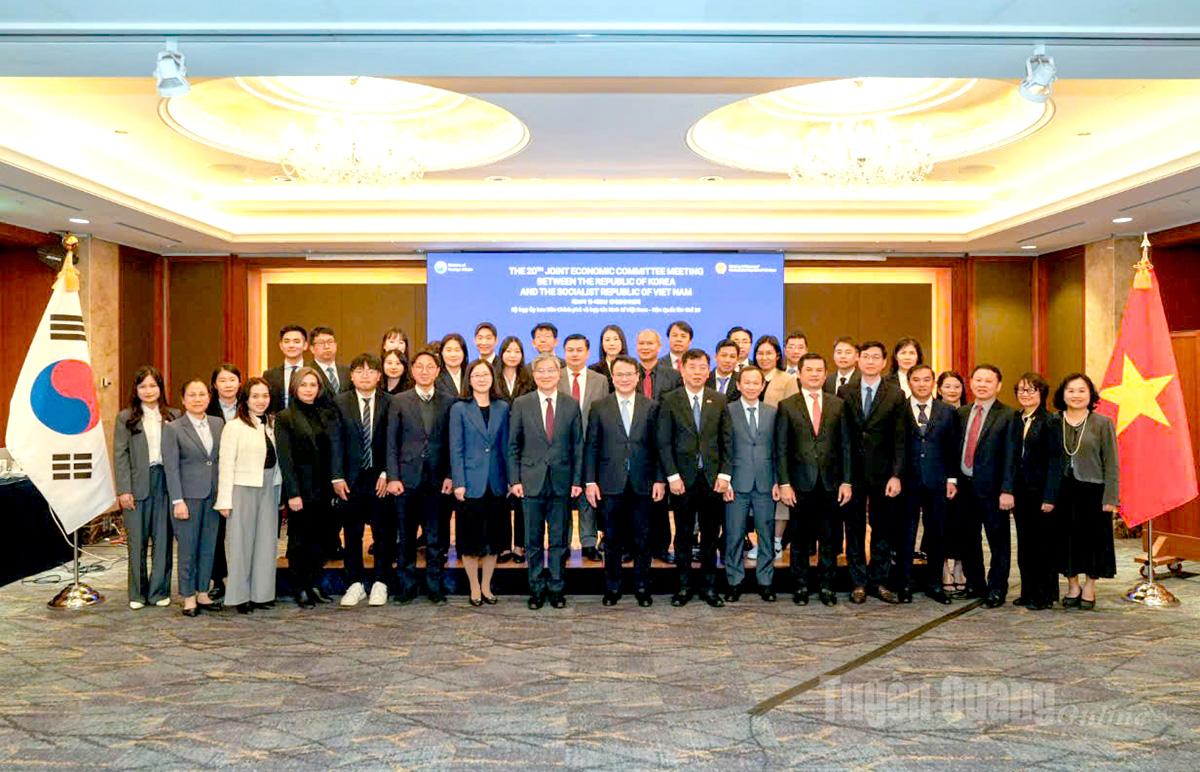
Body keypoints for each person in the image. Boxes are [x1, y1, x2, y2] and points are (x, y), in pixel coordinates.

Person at [584, 355, 664, 607]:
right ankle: (612, 588)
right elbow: (592, 446)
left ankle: (642, 587)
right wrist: (590, 481)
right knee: (612, 539)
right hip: (609, 483)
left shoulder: (651, 406)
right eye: (619, 374)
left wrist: (660, 480)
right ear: (612, 377)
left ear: (637, 377)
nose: (625, 379)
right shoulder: (599, 406)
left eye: (630, 374)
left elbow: (658, 447)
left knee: (642, 539)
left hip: (643, 483)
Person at [775, 353, 854, 606]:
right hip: (799, 484)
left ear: (825, 373)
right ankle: (800, 586)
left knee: (829, 538)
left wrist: (846, 481)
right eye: (808, 370)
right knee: (799, 538)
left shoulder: (838, 404)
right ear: (799, 373)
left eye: (819, 370)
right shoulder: (787, 405)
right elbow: (782, 448)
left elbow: (845, 447)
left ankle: (827, 586)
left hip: (831, 484)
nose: (814, 374)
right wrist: (784, 483)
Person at [657, 348, 733, 608]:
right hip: (682, 480)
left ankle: (710, 588)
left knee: (711, 535)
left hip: (712, 479)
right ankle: (683, 587)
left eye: (703, 367)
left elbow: (727, 441)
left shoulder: (719, 399)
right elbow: (663, 442)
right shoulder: (669, 400)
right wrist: (672, 476)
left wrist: (725, 475)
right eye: (693, 367)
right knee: (684, 536)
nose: (698, 372)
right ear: (682, 369)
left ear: (708, 369)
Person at [508, 353, 584, 610]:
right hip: (530, 482)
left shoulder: (571, 404)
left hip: (562, 482)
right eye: (540, 371)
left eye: (551, 370)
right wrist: (514, 479)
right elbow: (513, 446)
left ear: (559, 373)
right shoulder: (521, 403)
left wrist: (577, 480)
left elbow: (577, 446)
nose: (546, 375)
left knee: (559, 540)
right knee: (533, 540)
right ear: (534, 374)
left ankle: (556, 588)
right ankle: (536, 589)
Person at [838, 341, 907, 604]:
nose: (869, 361)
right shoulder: (846, 391)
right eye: (865, 356)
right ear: (858, 360)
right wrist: (844, 477)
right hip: (853, 473)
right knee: (853, 528)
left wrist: (896, 475)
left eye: (875, 357)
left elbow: (900, 439)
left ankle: (880, 581)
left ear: (883, 362)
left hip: (884, 474)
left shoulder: (895, 394)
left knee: (882, 529)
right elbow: (842, 438)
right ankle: (857, 582)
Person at [386, 350, 456, 604]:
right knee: (405, 537)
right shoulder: (399, 401)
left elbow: (453, 443)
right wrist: (393, 476)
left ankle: (434, 585)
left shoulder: (450, 402)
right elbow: (391, 443)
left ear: (438, 371)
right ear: (412, 370)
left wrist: (450, 475)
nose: (425, 371)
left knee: (436, 537)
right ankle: (407, 585)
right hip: (406, 480)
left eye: (430, 367)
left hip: (438, 482)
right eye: (420, 367)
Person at [1049, 373, 1119, 611]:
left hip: (1093, 490)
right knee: (1065, 539)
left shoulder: (1102, 423)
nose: (1076, 395)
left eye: (1081, 390)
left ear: (1090, 395)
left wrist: (1111, 497)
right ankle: (1072, 585)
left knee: (1093, 541)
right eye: (1071, 390)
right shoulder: (1053, 421)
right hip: (1061, 490)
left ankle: (1090, 585)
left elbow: (1111, 463)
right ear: (1062, 394)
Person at [329, 354, 394, 608]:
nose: (365, 375)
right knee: (352, 533)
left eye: (371, 371)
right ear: (352, 375)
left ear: (379, 376)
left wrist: (388, 472)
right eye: (359, 370)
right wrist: (336, 476)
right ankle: (354, 583)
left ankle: (380, 582)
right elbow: (335, 442)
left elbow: (394, 440)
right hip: (350, 480)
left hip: (381, 478)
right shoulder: (339, 403)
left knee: (383, 533)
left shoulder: (391, 402)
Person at [114, 365, 180, 610]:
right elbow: (120, 455)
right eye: (143, 386)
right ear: (136, 390)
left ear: (161, 388)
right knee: (137, 542)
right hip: (136, 483)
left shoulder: (174, 415)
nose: (149, 390)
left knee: (163, 540)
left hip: (165, 482)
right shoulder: (126, 417)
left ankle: (159, 591)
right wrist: (123, 489)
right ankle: (137, 593)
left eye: (153, 385)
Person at [214, 377, 281, 614]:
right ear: (246, 399)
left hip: (269, 487)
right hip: (242, 489)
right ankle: (240, 596)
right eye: (255, 396)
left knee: (266, 542)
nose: (261, 401)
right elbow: (225, 465)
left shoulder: (272, 423)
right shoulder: (234, 427)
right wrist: (224, 500)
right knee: (240, 543)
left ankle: (261, 594)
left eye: (265, 396)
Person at [895, 364, 959, 605]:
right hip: (907, 481)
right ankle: (904, 584)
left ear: (933, 383)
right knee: (906, 534)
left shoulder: (946, 411)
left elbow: (953, 447)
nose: (921, 384)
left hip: (937, 481)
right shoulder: (899, 409)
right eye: (916, 380)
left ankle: (934, 584)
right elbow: (895, 446)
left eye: (926, 380)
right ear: (909, 383)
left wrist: (952, 479)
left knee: (936, 533)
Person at [956, 364, 1018, 608]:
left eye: (988, 381)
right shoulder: (961, 413)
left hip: (994, 491)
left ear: (998, 385)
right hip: (965, 487)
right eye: (977, 380)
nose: (982, 384)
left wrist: (1007, 489)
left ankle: (997, 588)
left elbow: (1011, 457)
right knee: (968, 539)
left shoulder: (1008, 415)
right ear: (970, 383)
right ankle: (975, 583)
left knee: (998, 541)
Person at [275, 367, 337, 608]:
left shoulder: (325, 414)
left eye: (313, 385)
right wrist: (293, 493)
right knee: (299, 541)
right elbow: (285, 458)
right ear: (294, 388)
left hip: (323, 489)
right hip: (300, 490)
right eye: (304, 385)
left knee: (320, 539)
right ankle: (299, 587)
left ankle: (313, 584)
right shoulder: (285, 417)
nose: (308, 389)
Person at [449, 359, 511, 605]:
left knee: (493, 540)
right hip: (470, 483)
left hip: (496, 482)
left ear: (493, 378)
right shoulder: (459, 409)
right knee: (470, 540)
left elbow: (507, 447)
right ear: (469, 380)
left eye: (486, 374)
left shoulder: (503, 407)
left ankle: (487, 586)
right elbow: (456, 448)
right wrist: (458, 482)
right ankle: (474, 587)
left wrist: (510, 479)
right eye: (476, 375)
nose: (482, 379)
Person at [162, 378, 224, 617]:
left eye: (202, 394)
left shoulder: (218, 424)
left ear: (209, 398)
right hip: (187, 498)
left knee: (208, 547)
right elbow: (171, 468)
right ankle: (188, 596)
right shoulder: (173, 428)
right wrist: (177, 500)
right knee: (188, 548)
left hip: (213, 495)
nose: (198, 399)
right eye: (192, 395)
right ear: (183, 400)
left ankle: (203, 592)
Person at [722, 365, 779, 602]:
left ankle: (765, 581)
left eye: (757, 382)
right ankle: (734, 581)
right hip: (737, 482)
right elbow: (723, 448)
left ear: (763, 385)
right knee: (734, 534)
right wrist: (726, 481)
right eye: (747, 382)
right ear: (738, 385)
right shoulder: (727, 411)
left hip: (766, 482)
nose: (752, 386)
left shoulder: (773, 412)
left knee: (766, 534)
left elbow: (778, 450)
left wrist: (778, 480)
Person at [1010, 372, 1060, 611]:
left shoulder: (1050, 421)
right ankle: (1027, 590)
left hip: (1041, 493)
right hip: (1021, 492)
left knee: (1043, 545)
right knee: (1025, 544)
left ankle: (1044, 594)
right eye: (1021, 390)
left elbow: (1054, 461)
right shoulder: (1015, 418)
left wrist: (1050, 495)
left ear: (1042, 393)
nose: (1025, 394)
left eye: (1031, 390)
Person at [634, 328, 682, 564]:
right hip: (634, 441)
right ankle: (633, 546)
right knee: (634, 498)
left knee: (660, 500)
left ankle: (661, 547)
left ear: (659, 346)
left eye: (650, 343)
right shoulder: (629, 372)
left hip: (664, 440)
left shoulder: (672, 376)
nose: (645, 347)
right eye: (641, 343)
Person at [560, 333, 610, 561]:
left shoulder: (599, 379)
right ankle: (564, 541)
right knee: (564, 495)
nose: (575, 354)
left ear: (587, 353)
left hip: (591, 446)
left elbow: (606, 412)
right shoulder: (555, 376)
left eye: (579, 350)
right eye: (570, 349)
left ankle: (589, 542)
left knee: (589, 494)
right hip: (561, 447)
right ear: (564, 352)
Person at [495, 336, 535, 564]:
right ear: (502, 353)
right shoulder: (494, 378)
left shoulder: (527, 378)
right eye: (508, 350)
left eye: (516, 351)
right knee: (501, 497)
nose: (512, 355)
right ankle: (502, 546)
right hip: (499, 442)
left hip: (524, 443)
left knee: (522, 497)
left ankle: (520, 545)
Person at [205, 363, 241, 600]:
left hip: (245, 475)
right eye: (222, 380)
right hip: (215, 478)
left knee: (241, 530)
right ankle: (219, 578)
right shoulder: (206, 410)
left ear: (240, 383)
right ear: (215, 385)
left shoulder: (250, 406)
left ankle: (242, 576)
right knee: (216, 532)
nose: (228, 385)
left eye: (232, 380)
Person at [936, 368, 968, 593]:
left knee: (962, 524)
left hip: (965, 479)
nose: (952, 390)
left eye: (957, 386)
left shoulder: (968, 412)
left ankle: (960, 566)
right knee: (940, 524)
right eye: (947, 386)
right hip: (940, 477)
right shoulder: (934, 412)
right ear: (939, 389)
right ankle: (943, 566)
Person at [264, 324, 309, 413]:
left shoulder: (315, 372)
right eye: (287, 341)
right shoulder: (269, 375)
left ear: (305, 345)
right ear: (281, 345)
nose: (291, 345)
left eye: (296, 341)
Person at [756, 335, 799, 408]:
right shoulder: (750, 377)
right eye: (760, 353)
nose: (764, 358)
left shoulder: (788, 380)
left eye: (769, 353)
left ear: (777, 356)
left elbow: (794, 409)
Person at [310, 326, 351, 399]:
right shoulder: (307, 371)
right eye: (321, 343)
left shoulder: (347, 371)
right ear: (312, 349)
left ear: (336, 345)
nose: (326, 346)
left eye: (330, 342)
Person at [589, 323, 629, 390]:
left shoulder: (632, 368)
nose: (611, 343)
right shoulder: (593, 370)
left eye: (615, 339)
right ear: (602, 344)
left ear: (622, 342)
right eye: (607, 340)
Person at [435, 332, 468, 398]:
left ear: (464, 353)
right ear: (441, 353)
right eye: (448, 350)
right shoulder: (435, 376)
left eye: (457, 350)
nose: (453, 355)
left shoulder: (470, 375)